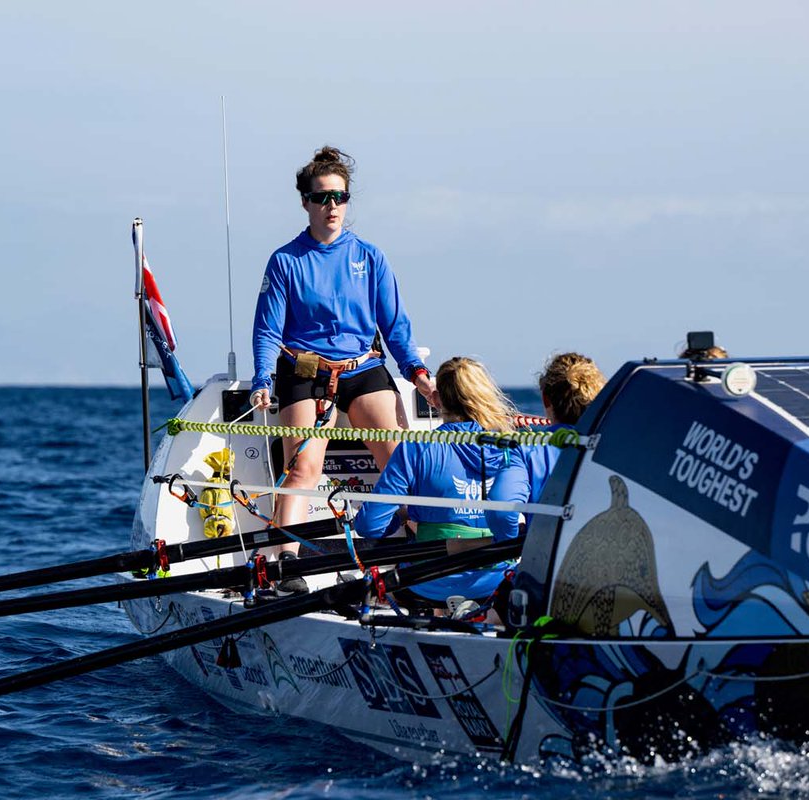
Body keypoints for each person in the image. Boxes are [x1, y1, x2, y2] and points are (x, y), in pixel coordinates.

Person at [250, 146, 437, 591]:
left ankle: (424, 557)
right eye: (322, 198)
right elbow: (266, 331)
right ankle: (286, 565)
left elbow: (395, 326)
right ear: (305, 202)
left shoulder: (370, 257)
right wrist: (261, 380)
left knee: (402, 463)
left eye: (340, 197)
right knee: (303, 469)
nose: (331, 206)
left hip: (361, 367)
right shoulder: (285, 261)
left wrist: (418, 376)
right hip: (305, 371)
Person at [354, 357, 523, 609]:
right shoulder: (513, 447)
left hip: (428, 581)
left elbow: (369, 525)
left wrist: (405, 514)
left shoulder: (416, 447)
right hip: (497, 581)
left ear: (437, 399)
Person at [487, 353, 605, 531]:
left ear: (545, 399)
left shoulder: (527, 450)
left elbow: (501, 512)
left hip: (548, 553)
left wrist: (518, 540)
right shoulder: (614, 447)